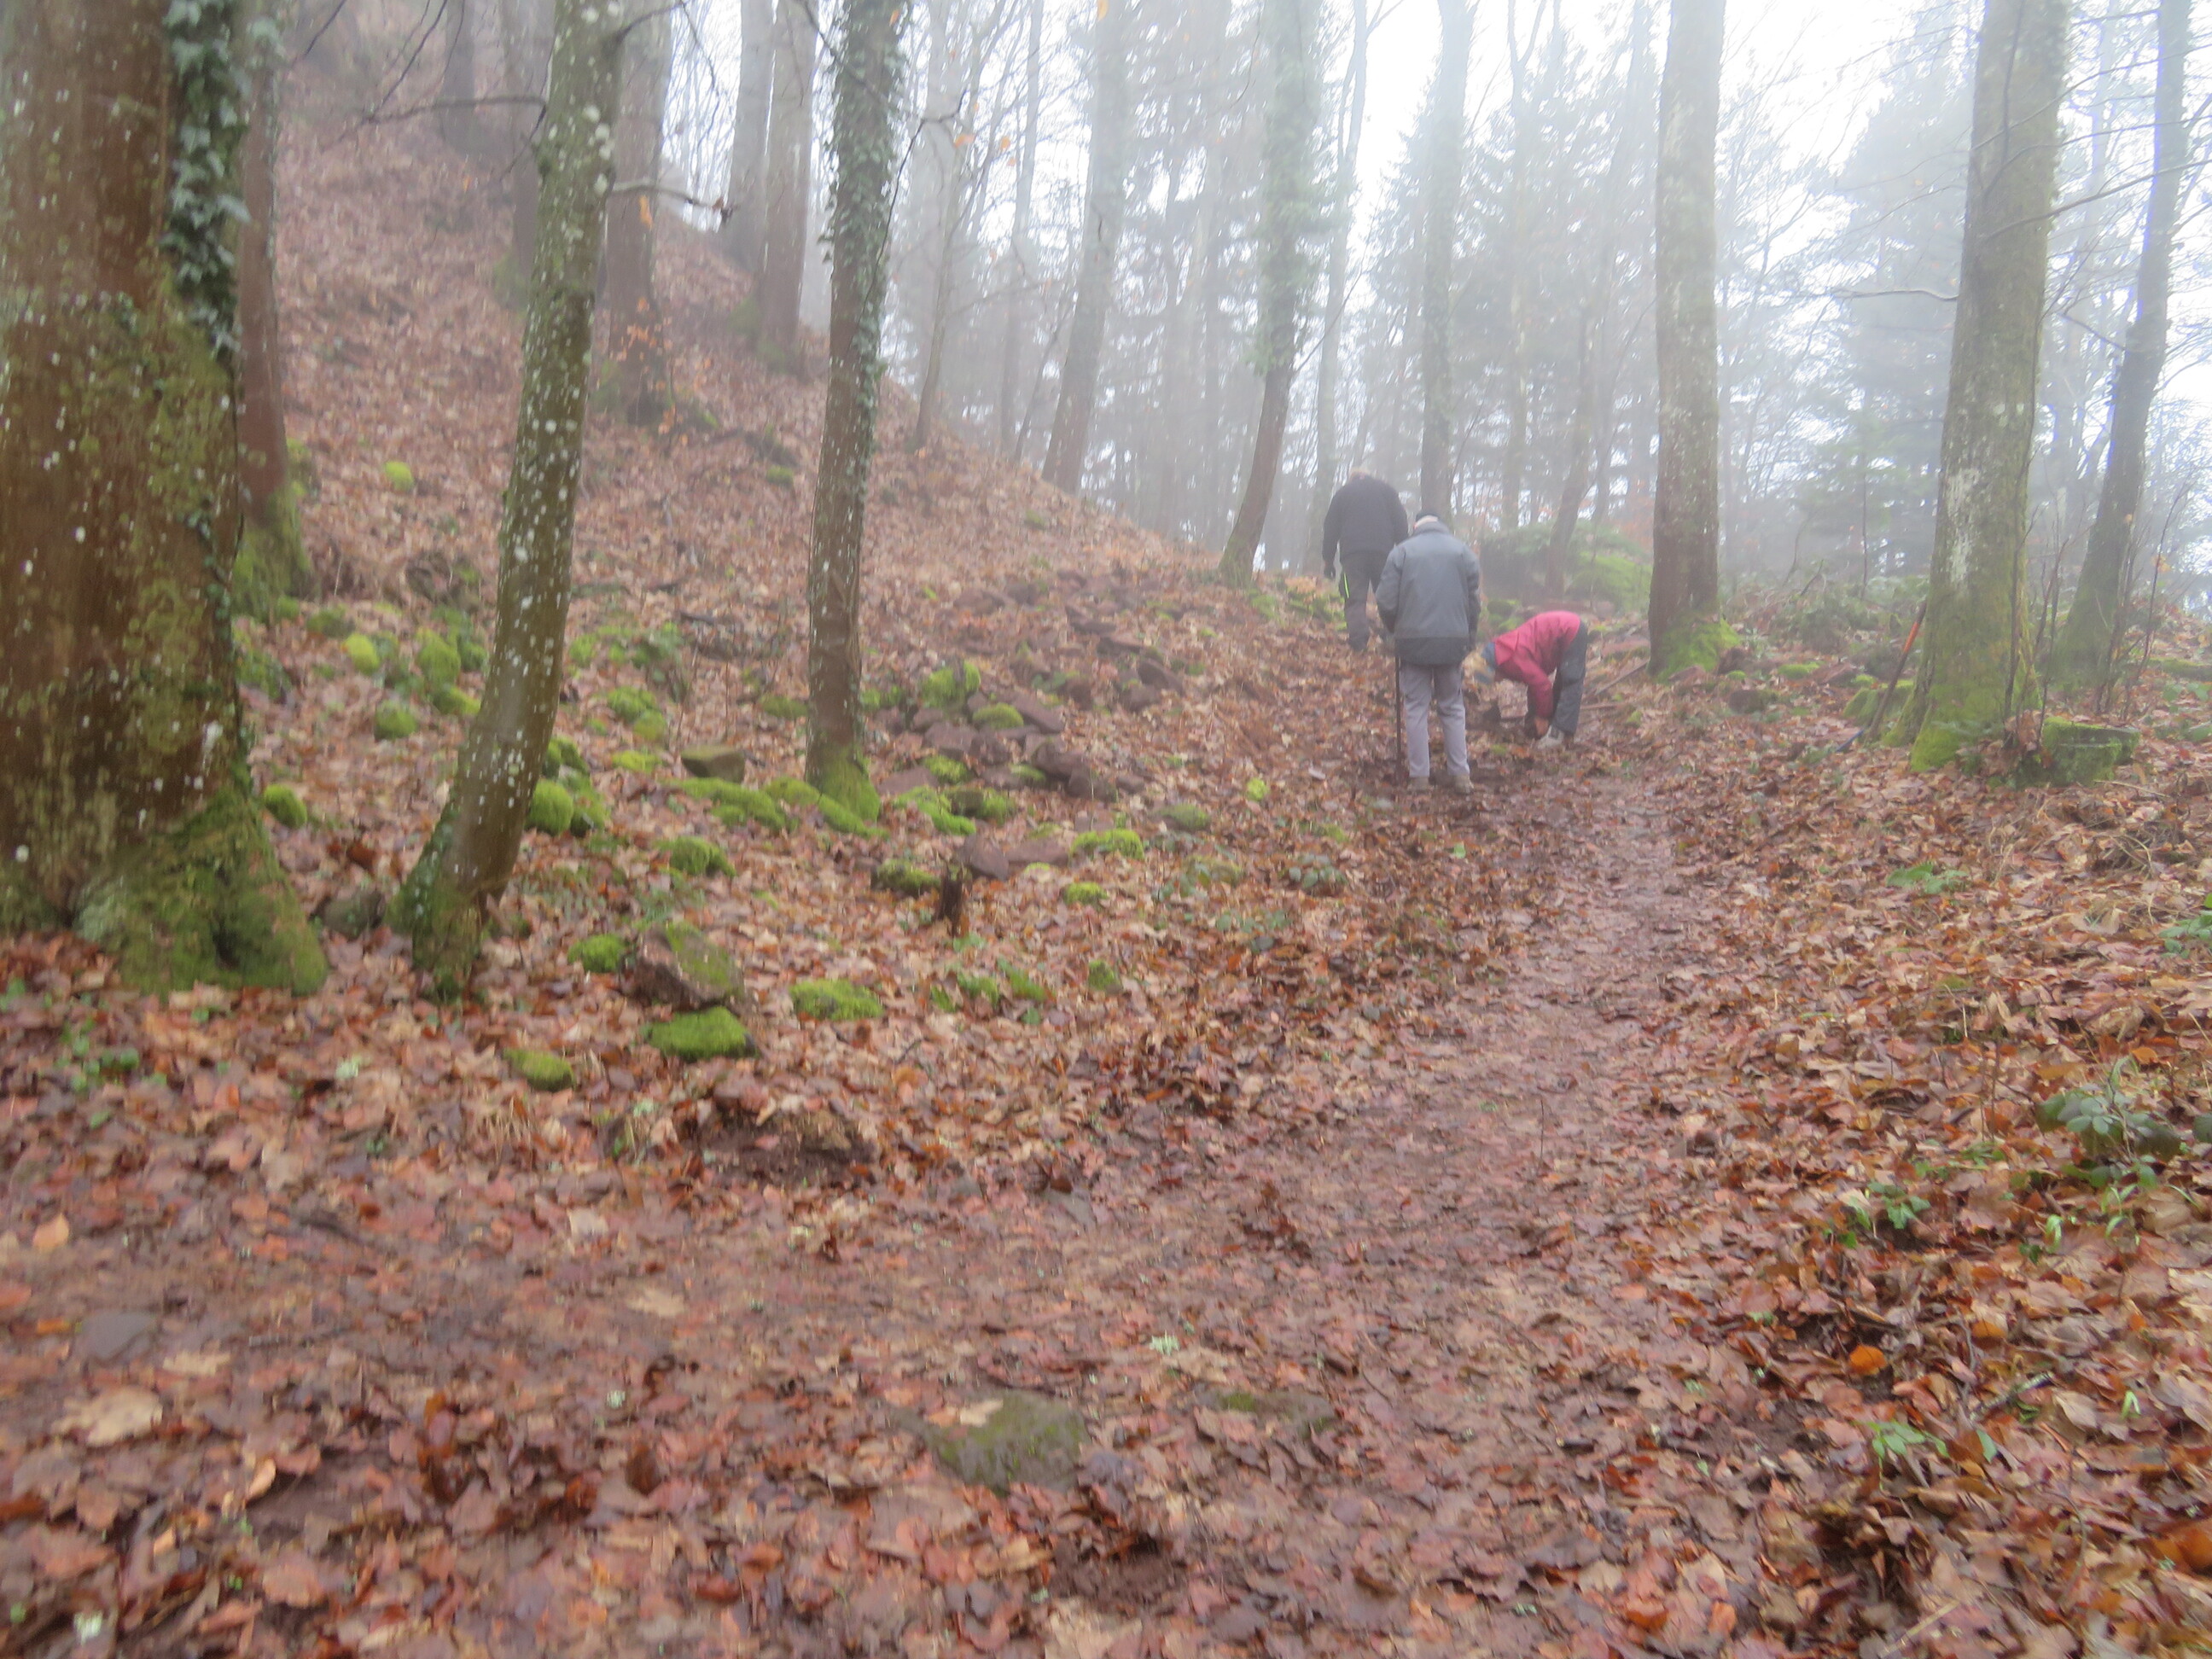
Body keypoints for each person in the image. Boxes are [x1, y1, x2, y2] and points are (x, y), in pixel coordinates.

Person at [1375, 511, 1481, 793]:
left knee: (1415, 708)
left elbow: (1385, 600)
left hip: (1413, 641)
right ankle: (1461, 774)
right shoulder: (1463, 552)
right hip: (1453, 639)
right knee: (1452, 707)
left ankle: (1419, 776)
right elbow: (1474, 602)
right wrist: (1469, 635)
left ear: (1415, 525)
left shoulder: (1402, 552)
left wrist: (1395, 629)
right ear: (1441, 524)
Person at [1320, 469, 1410, 652]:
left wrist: (1328, 560)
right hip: (1383, 554)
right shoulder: (1387, 491)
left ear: (1351, 478)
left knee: (1353, 597)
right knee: (1388, 596)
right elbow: (1401, 522)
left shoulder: (1343, 493)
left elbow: (1330, 529)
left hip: (1352, 556)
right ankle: (1392, 637)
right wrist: (1404, 551)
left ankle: (1358, 642)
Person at [1473, 610, 1590, 747]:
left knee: (1570, 680)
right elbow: (1533, 683)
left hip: (1569, 629)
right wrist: (1535, 716)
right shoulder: (1503, 652)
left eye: (1495, 679)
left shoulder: (1511, 658)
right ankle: (1545, 727)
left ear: (1493, 670)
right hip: (1562, 629)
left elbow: (1543, 686)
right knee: (1561, 681)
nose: (1498, 681)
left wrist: (1542, 717)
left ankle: (1559, 732)